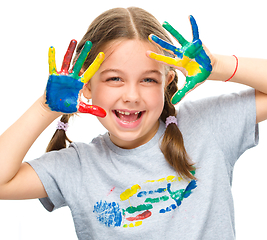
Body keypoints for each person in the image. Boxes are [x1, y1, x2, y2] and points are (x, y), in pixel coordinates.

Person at [0, 6, 267, 240]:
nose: (131, 96)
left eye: (148, 79)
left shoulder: (206, 126)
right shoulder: (78, 165)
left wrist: (219, 66)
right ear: (87, 85)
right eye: (114, 79)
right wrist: (43, 108)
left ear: (168, 82)